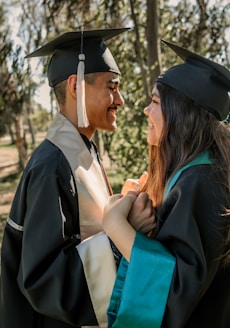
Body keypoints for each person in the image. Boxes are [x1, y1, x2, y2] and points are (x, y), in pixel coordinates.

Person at [0, 28, 155, 328]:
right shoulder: (51, 166)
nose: (119, 100)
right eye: (112, 87)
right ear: (76, 86)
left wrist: (120, 206)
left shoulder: (82, 152)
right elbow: (44, 281)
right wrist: (120, 234)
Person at [103, 40, 230, 328]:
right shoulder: (207, 172)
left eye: (156, 102)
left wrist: (116, 225)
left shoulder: (200, 182)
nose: (146, 111)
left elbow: (172, 289)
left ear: (183, 115)